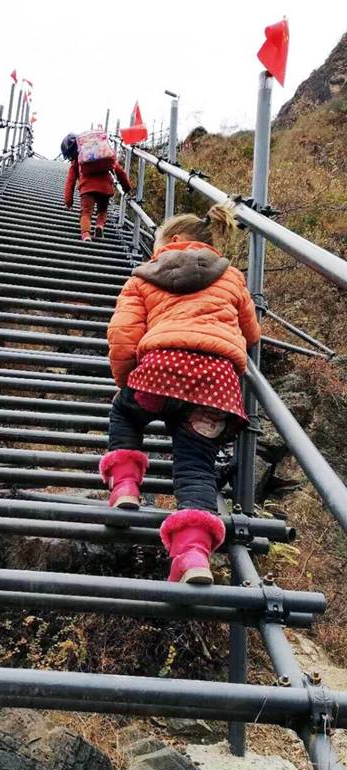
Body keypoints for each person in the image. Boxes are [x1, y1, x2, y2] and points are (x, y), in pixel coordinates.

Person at [99, 203, 260, 584]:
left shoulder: (142, 277)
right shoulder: (232, 276)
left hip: (160, 371)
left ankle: (125, 484)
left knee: (125, 412)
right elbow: (252, 333)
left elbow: (122, 334)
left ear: (171, 241)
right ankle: (193, 555)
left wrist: (126, 381)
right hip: (216, 385)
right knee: (196, 467)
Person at [61, 132, 131, 242]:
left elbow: (70, 182)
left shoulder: (76, 163)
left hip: (87, 189)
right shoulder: (101, 153)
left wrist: (68, 202)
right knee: (102, 210)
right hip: (105, 187)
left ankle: (86, 234)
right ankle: (99, 226)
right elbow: (119, 170)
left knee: (86, 212)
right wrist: (126, 187)